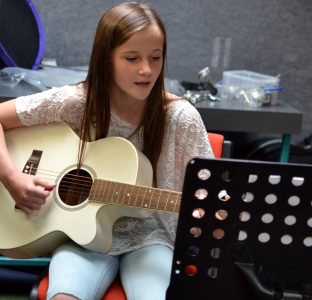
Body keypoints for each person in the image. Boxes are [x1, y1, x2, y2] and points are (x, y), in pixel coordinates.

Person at [0, 2, 213, 299]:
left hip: (151, 239)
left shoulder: (180, 117)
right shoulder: (77, 103)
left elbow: (208, 191)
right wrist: (12, 177)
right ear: (106, 59)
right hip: (82, 239)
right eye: (132, 58)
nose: (146, 70)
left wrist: (208, 213)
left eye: (156, 57)